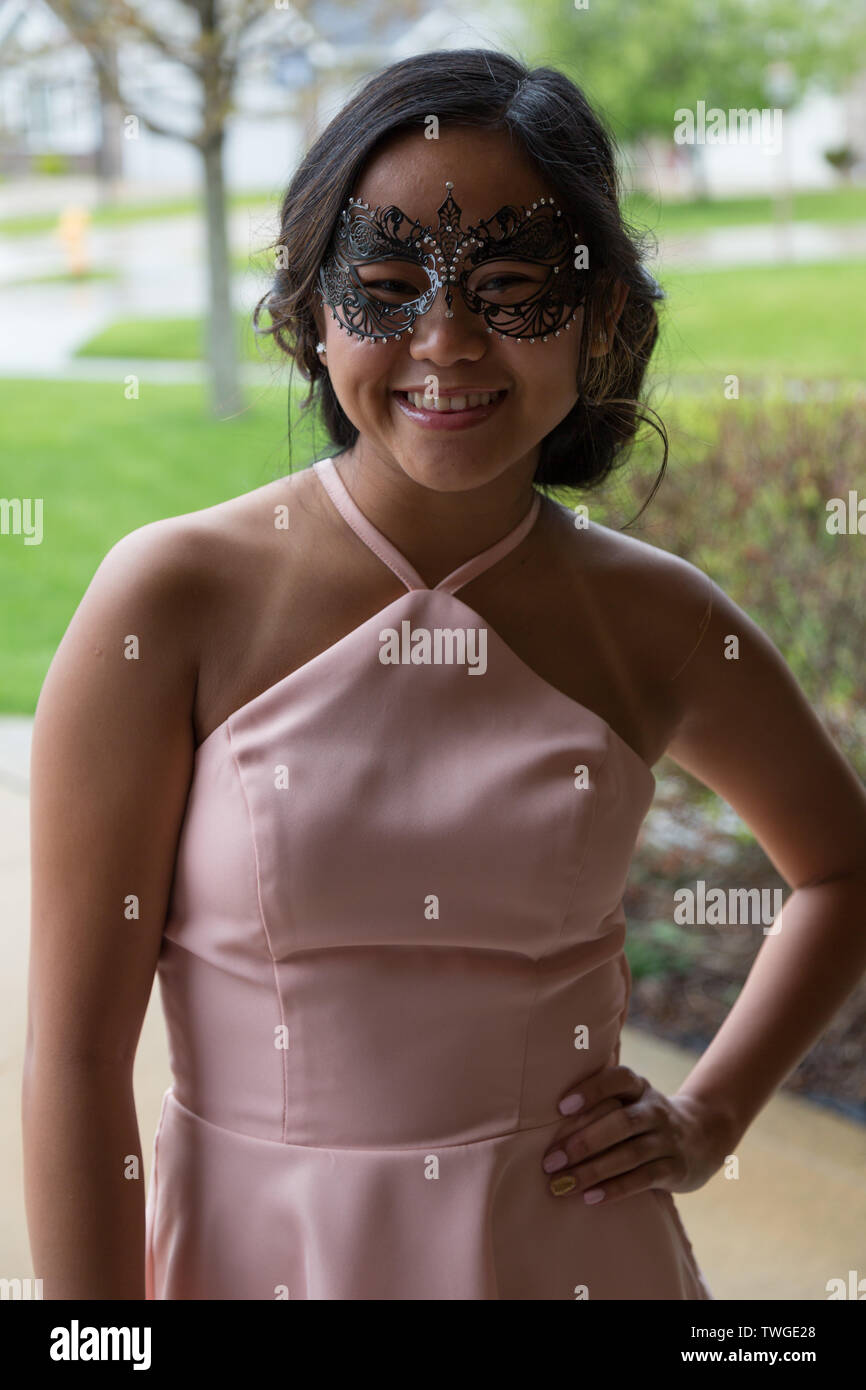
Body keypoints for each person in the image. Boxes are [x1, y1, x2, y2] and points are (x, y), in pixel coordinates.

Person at [23, 48, 866, 1301]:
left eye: (511, 283)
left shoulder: (660, 620)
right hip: (264, 1259)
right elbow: (78, 1060)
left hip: (575, 1254)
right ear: (310, 314)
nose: (444, 341)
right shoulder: (172, 600)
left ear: (604, 318)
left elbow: (840, 869)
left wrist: (709, 1117)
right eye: (383, 284)